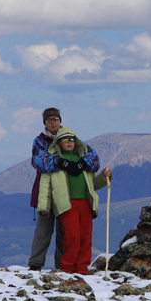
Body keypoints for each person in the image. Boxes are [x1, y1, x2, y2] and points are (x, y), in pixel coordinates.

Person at [35, 127, 113, 274]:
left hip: (86, 204)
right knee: (72, 237)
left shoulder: (84, 161)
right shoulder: (52, 163)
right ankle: (67, 269)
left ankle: (82, 269)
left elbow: (93, 184)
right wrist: (43, 207)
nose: (69, 142)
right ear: (58, 143)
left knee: (85, 237)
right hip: (67, 204)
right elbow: (45, 187)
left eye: (72, 139)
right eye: (65, 139)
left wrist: (104, 176)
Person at [28, 108, 66, 270]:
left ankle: (62, 265)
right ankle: (36, 264)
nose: (52, 122)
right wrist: (63, 162)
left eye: (55, 119)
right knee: (43, 230)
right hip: (45, 193)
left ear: (60, 120)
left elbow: (82, 158)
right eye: (49, 120)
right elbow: (39, 162)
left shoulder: (69, 137)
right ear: (45, 122)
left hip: (65, 191)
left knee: (65, 232)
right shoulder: (39, 141)